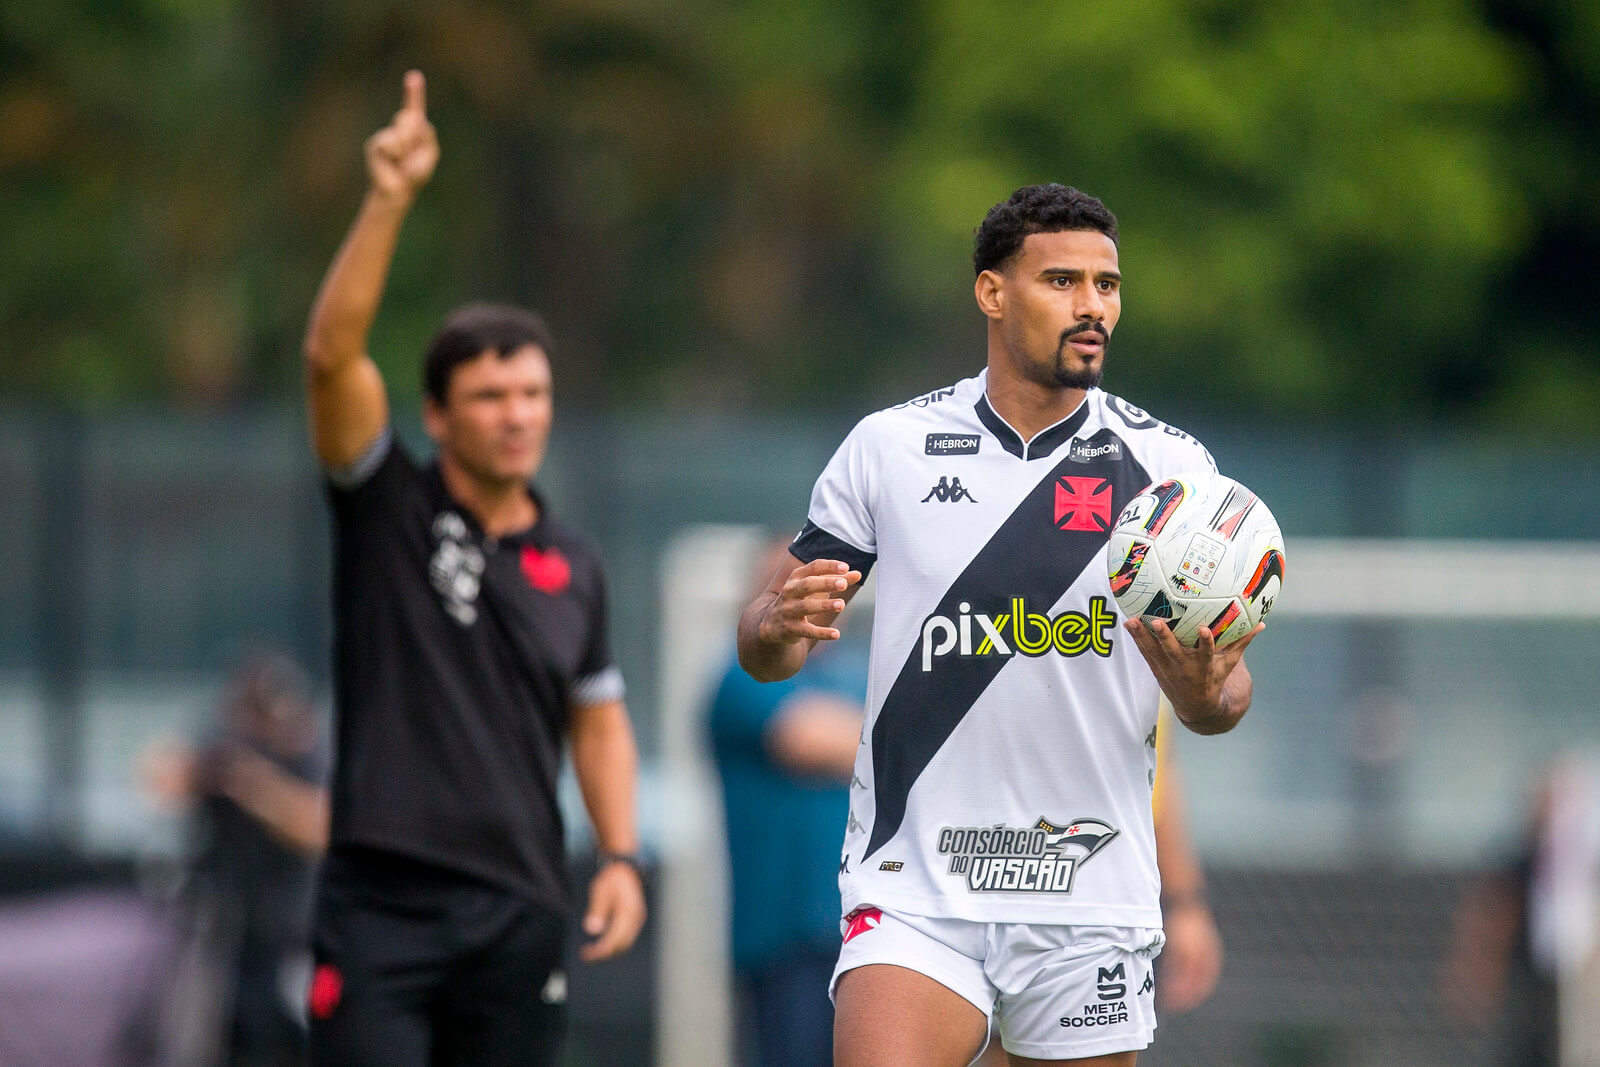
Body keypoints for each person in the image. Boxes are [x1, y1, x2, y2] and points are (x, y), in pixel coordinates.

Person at [737, 184, 1262, 1066]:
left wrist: (1206, 692)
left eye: (1107, 284)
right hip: (916, 887)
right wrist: (776, 622)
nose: (1093, 306)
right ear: (992, 292)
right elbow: (767, 650)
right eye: (1062, 281)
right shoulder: (890, 448)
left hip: (1090, 895)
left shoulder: (1171, 469)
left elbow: (1226, 695)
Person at [299, 70, 645, 1066]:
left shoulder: (574, 564)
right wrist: (389, 198)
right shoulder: (388, 507)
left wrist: (619, 854)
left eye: (532, 392)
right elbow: (331, 357)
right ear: (439, 415)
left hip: (520, 904)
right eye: (491, 395)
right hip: (382, 900)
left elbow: (598, 717)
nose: (517, 414)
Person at [709, 537, 869, 1067]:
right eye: (785, 583)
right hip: (786, 938)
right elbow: (808, 737)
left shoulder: (854, 673)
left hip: (864, 928)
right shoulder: (741, 680)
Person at [137, 652, 329, 1067]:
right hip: (220, 935)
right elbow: (157, 778)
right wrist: (208, 770)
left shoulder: (305, 752)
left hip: (291, 939)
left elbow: (316, 827)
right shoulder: (223, 744)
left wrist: (256, 787)